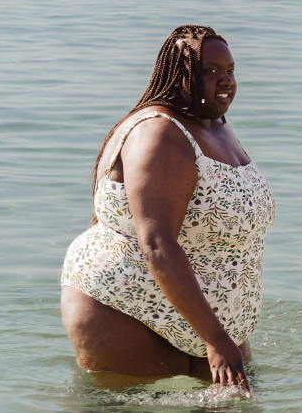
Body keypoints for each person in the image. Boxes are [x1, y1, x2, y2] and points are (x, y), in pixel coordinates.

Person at [60, 25, 275, 395]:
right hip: (130, 307)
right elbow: (157, 243)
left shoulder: (217, 126)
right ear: (180, 74)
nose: (226, 80)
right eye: (210, 71)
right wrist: (216, 340)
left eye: (231, 70)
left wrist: (218, 335)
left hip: (209, 320)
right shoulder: (159, 133)